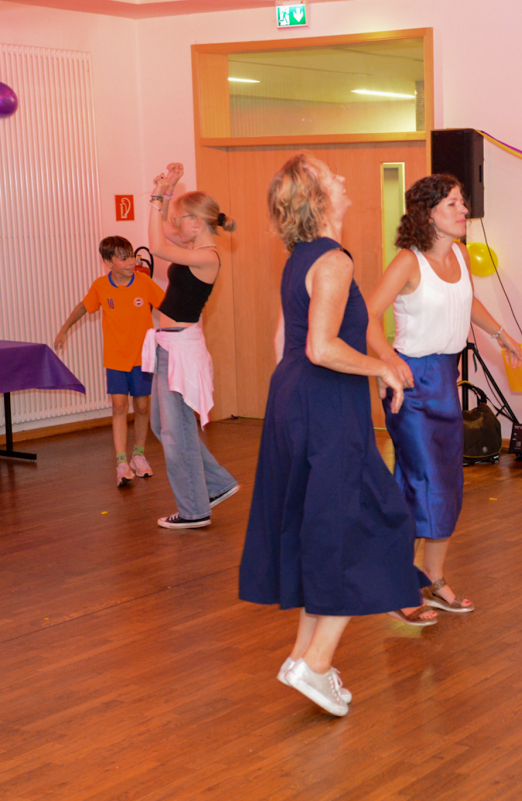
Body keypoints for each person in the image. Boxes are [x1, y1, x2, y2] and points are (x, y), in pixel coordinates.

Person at [238, 153, 430, 717]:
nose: (343, 179)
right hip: (324, 405)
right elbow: (321, 347)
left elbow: (291, 343)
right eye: (331, 176)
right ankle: (317, 663)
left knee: (323, 528)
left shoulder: (301, 258)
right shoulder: (334, 260)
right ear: (318, 199)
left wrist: (299, 396)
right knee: (374, 527)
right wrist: (382, 369)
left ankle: (303, 658)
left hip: (298, 399)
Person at [367, 174, 522, 617]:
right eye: (452, 203)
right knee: (425, 482)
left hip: (444, 382)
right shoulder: (408, 262)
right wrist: (387, 360)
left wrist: (501, 335)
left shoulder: (460, 254)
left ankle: (432, 579)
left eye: (461, 202)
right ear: (428, 213)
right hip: (411, 384)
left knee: (447, 483)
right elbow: (368, 315)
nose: (463, 210)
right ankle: (400, 586)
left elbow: (467, 301)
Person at [143, 163, 240, 529]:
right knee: (163, 426)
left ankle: (194, 510)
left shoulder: (207, 257)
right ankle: (215, 484)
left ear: (197, 223)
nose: (175, 224)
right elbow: (167, 229)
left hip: (180, 351)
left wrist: (157, 198)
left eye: (182, 219)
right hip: (168, 346)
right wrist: (168, 191)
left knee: (176, 432)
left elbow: (157, 244)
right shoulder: (192, 243)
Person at [55, 236, 164, 487]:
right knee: (118, 406)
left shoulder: (144, 282)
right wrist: (64, 329)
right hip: (115, 358)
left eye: (131, 256)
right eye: (123, 258)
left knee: (142, 407)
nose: (131, 262)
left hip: (142, 357)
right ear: (108, 262)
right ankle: (121, 462)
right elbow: (83, 307)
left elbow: (168, 305)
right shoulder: (101, 286)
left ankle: (139, 455)